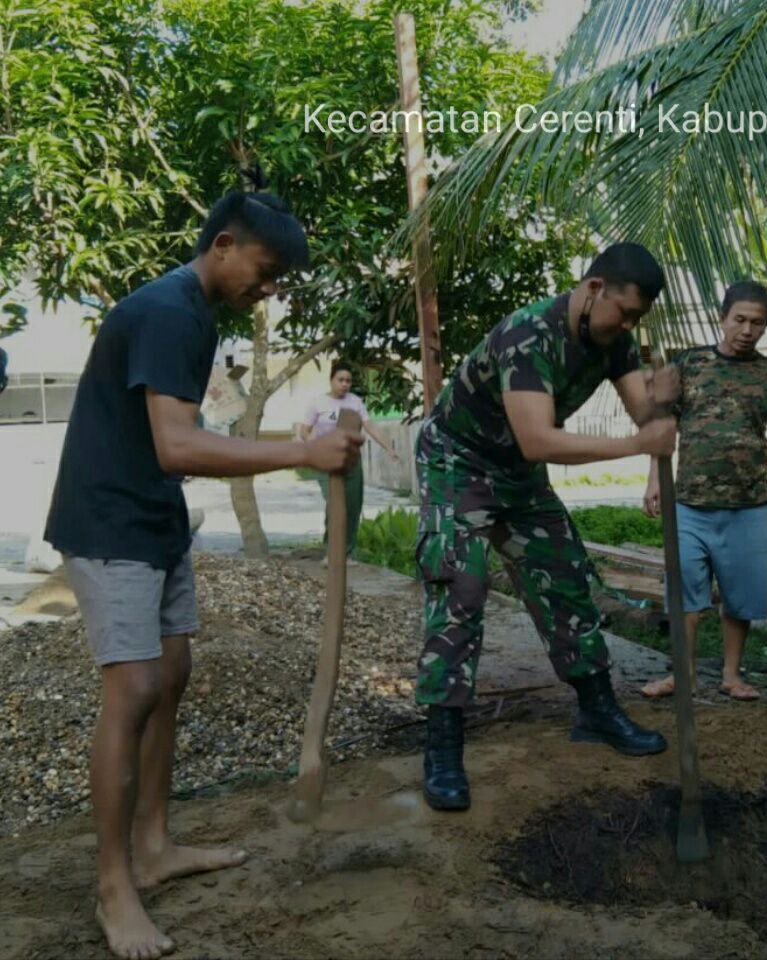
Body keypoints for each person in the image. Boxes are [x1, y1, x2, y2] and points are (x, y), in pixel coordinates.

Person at [43, 192, 362, 960]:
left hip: (152, 520)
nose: (271, 287)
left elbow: (186, 434)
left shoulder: (195, 315)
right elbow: (178, 447)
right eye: (268, 269)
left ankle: (153, 845)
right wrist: (302, 455)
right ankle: (114, 885)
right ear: (224, 244)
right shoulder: (167, 311)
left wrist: (310, 439)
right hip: (108, 523)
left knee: (174, 669)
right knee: (136, 687)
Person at [415, 242, 678, 812]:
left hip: (515, 470)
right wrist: (637, 444)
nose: (627, 325)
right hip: (457, 461)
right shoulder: (529, 334)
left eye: (637, 317)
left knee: (563, 575)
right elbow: (540, 439)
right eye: (623, 312)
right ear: (592, 289)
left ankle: (596, 709)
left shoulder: (613, 338)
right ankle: (442, 744)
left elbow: (645, 414)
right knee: (460, 587)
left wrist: (666, 402)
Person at [640, 281, 767, 701]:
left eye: (757, 323)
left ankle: (731, 674)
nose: (747, 329)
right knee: (684, 592)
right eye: (739, 319)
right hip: (689, 503)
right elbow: (663, 425)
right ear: (722, 318)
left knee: (741, 597)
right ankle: (682, 675)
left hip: (748, 506)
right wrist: (655, 479)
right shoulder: (688, 364)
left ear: (765, 326)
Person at [298, 361, 401, 562]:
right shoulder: (318, 403)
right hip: (326, 460)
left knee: (353, 506)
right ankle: (332, 550)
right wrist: (316, 447)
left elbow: (370, 426)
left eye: (348, 381)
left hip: (351, 460)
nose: (345, 384)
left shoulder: (355, 402)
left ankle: (348, 552)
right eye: (341, 380)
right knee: (335, 504)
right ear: (331, 380)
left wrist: (388, 447)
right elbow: (305, 430)